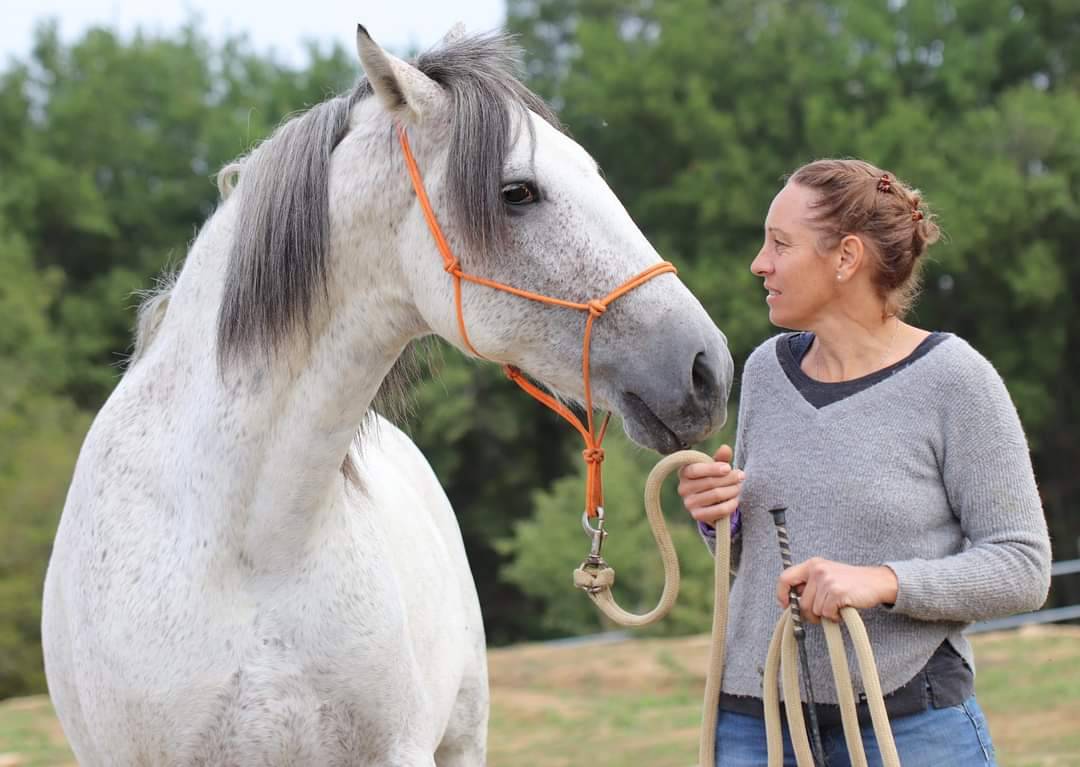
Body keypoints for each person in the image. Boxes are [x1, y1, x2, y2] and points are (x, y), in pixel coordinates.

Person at [678, 159, 1052, 767]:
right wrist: (718, 518)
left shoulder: (956, 381)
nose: (759, 263)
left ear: (846, 258)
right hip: (755, 727)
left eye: (780, 244)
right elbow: (758, 560)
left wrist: (883, 582)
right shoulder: (767, 371)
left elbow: (1023, 567)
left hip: (909, 726)